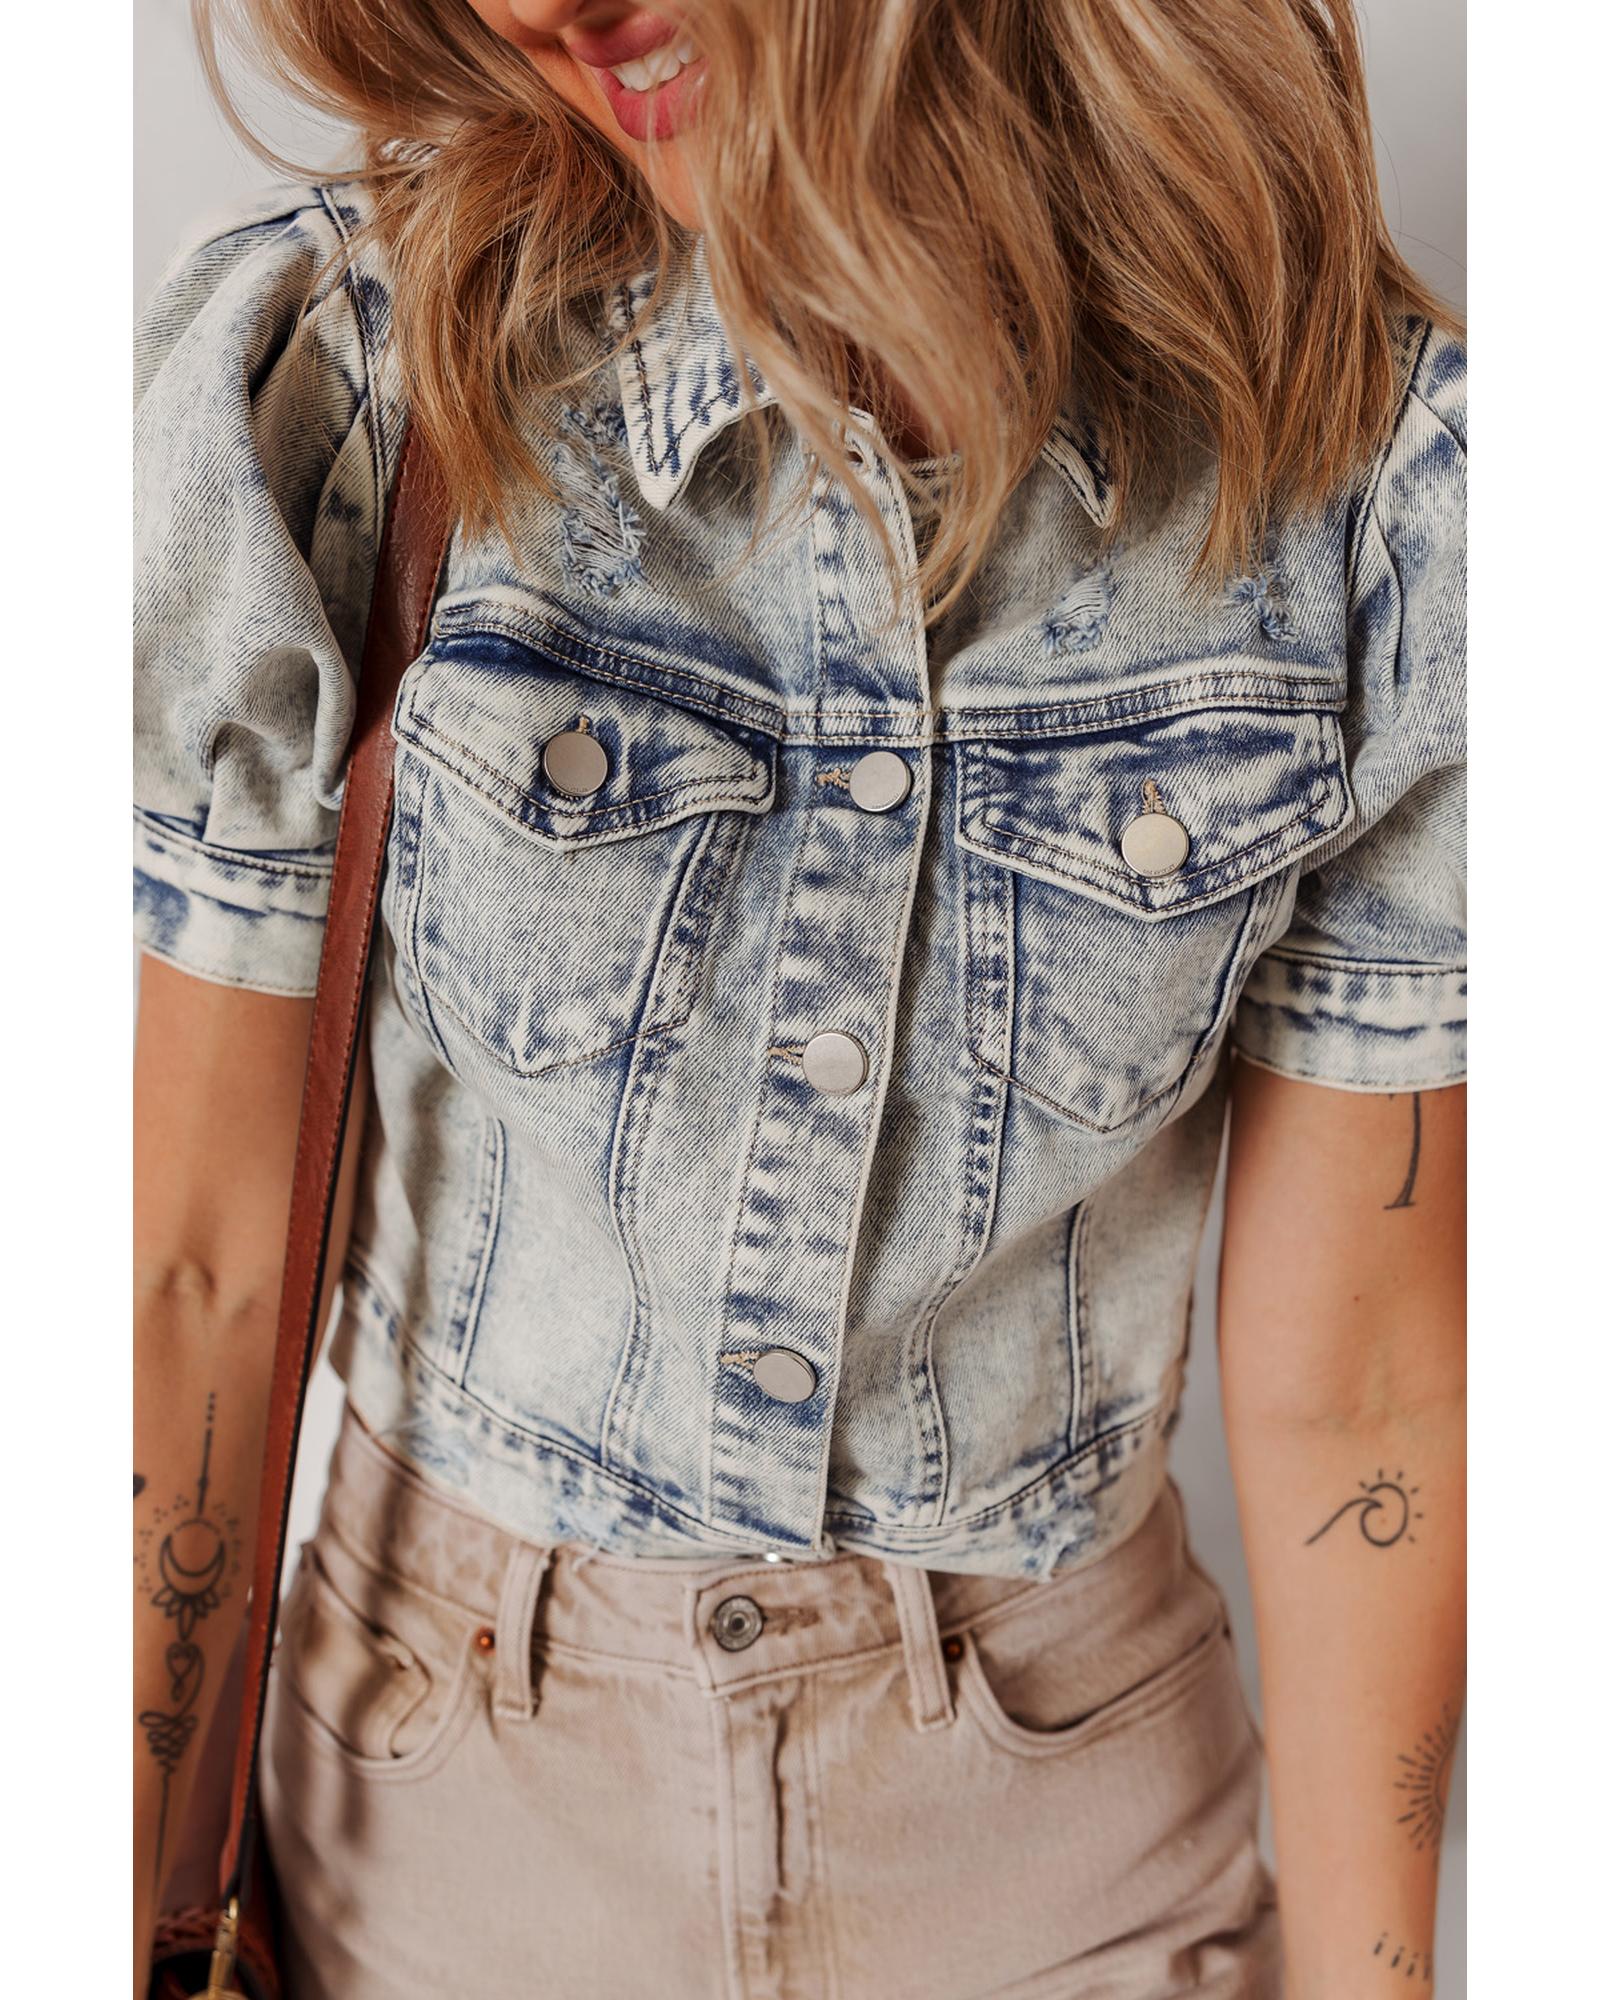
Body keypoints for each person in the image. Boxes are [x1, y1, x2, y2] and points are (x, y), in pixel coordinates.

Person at [133, 2, 1466, 1995]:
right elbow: (196, 1267)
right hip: (428, 1833)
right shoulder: (353, 377)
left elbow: (1365, 1383)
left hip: (1071, 1858)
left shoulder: (1370, 491)